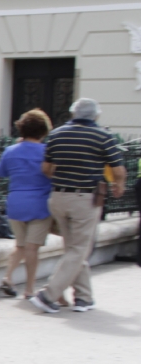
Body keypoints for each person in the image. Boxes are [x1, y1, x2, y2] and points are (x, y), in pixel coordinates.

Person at [30, 98, 127, 313]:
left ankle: (84, 297)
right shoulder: (103, 135)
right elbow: (118, 169)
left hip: (58, 197)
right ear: (96, 116)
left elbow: (46, 168)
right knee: (80, 249)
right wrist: (119, 185)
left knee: (74, 248)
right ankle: (48, 295)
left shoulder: (56, 134)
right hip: (85, 199)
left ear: (73, 114)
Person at [0, 109, 53, 298]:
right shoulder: (47, 152)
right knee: (32, 248)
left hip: (16, 203)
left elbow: (1, 172)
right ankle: (29, 288)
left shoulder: (10, 151)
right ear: (43, 131)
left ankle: (8, 276)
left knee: (20, 245)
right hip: (39, 204)